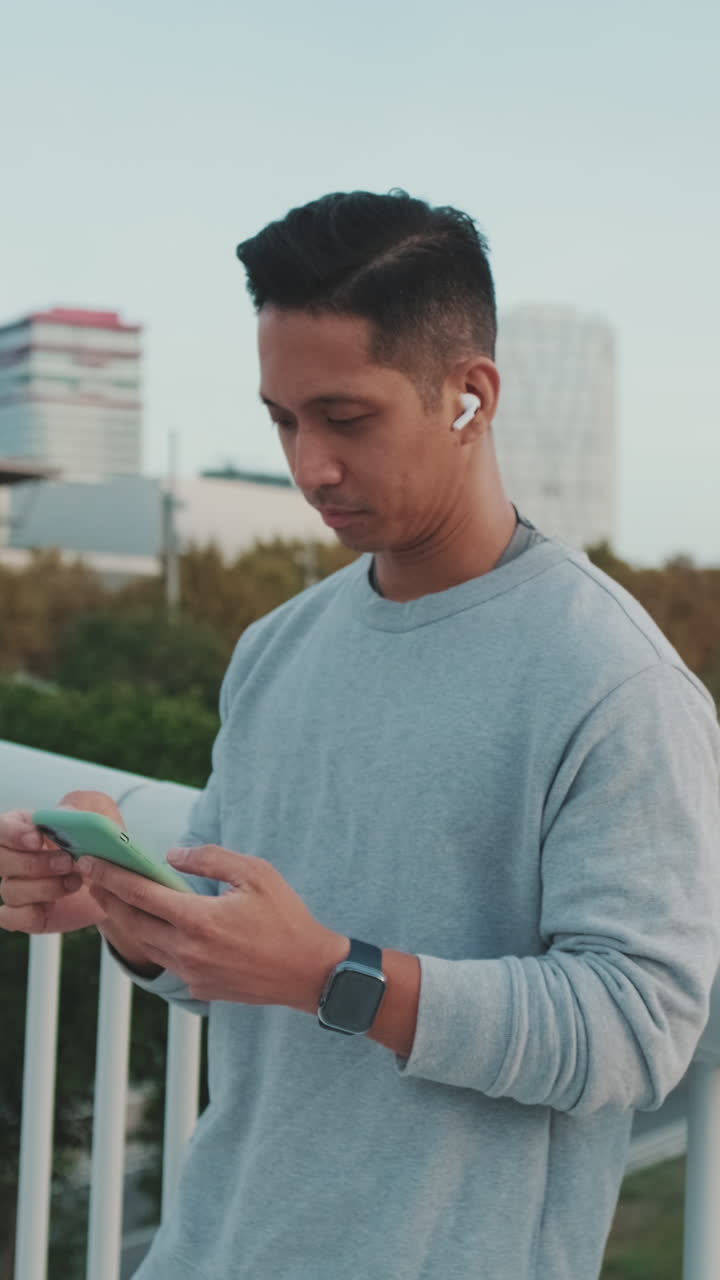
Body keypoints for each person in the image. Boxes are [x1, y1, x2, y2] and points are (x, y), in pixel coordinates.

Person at [1, 189, 719, 1280]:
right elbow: (231, 955)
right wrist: (129, 903)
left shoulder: (611, 676)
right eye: (282, 420)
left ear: (469, 395)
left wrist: (333, 973)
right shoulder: (277, 647)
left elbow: (635, 1026)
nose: (308, 467)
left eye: (346, 418)